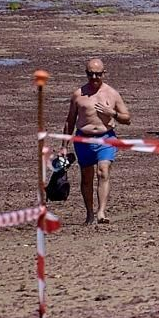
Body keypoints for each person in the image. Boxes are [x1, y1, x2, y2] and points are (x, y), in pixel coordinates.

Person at [65, 58, 132, 225]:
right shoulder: (78, 95)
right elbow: (70, 121)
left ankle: (101, 211)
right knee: (86, 178)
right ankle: (89, 214)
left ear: (104, 73)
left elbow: (127, 118)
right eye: (90, 74)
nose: (94, 77)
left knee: (103, 171)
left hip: (106, 138)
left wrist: (112, 113)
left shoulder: (112, 93)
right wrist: (63, 147)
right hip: (83, 140)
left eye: (98, 74)